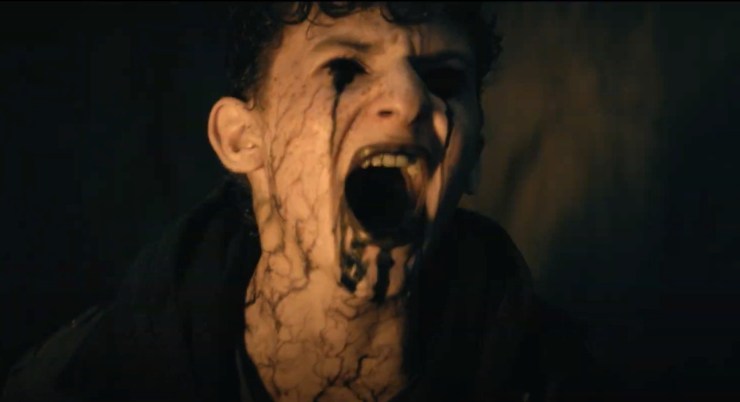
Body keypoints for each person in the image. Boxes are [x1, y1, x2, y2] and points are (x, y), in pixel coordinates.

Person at [2, 3, 596, 401]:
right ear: (243, 141)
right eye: (345, 68)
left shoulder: (563, 377)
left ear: (473, 158)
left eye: (442, 80)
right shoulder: (77, 378)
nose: (412, 99)